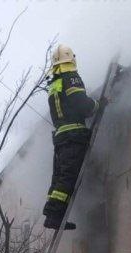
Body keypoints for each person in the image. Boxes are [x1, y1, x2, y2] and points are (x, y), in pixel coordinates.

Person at [43, 44, 102, 230]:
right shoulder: (72, 78)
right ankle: (54, 215)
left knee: (59, 177)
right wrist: (98, 104)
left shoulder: (54, 84)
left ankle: (53, 214)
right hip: (74, 136)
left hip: (60, 137)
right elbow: (82, 105)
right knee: (68, 177)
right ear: (72, 59)